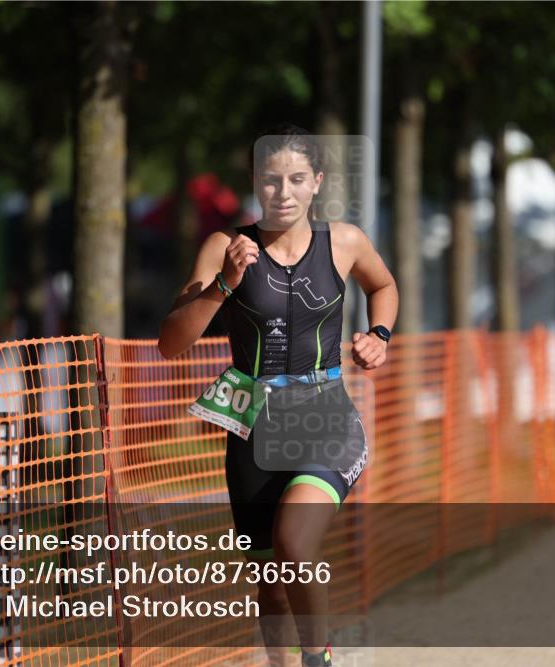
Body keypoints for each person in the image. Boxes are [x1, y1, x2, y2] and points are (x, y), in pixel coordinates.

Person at [158, 124, 398, 667]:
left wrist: (379, 335)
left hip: (326, 419)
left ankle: (319, 659)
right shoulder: (224, 247)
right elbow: (171, 343)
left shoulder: (345, 241)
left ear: (316, 182)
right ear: (254, 183)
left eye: (295, 179)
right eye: (270, 180)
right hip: (254, 427)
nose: (282, 192)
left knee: (295, 543)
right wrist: (223, 284)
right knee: (269, 583)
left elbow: (382, 286)